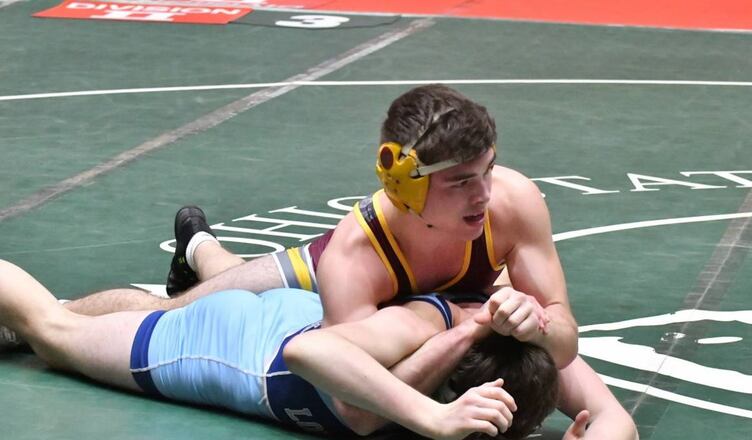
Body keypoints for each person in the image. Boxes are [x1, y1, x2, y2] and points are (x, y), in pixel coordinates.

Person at [5, 84, 637, 438]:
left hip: (333, 322)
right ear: (410, 188)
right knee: (67, 328)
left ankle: (204, 253)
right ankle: (189, 262)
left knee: (173, 307)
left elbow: (575, 359)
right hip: (270, 336)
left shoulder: (508, 212)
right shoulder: (375, 270)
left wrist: (536, 324)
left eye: (489, 172)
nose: (485, 194)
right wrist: (441, 406)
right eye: (463, 182)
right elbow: (348, 400)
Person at [0, 259, 558, 439]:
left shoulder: (483, 348)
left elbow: (599, 411)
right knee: (52, 332)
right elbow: (357, 408)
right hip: (224, 349)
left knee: (154, 308)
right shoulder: (428, 362)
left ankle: (202, 251)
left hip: (277, 318)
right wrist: (438, 414)